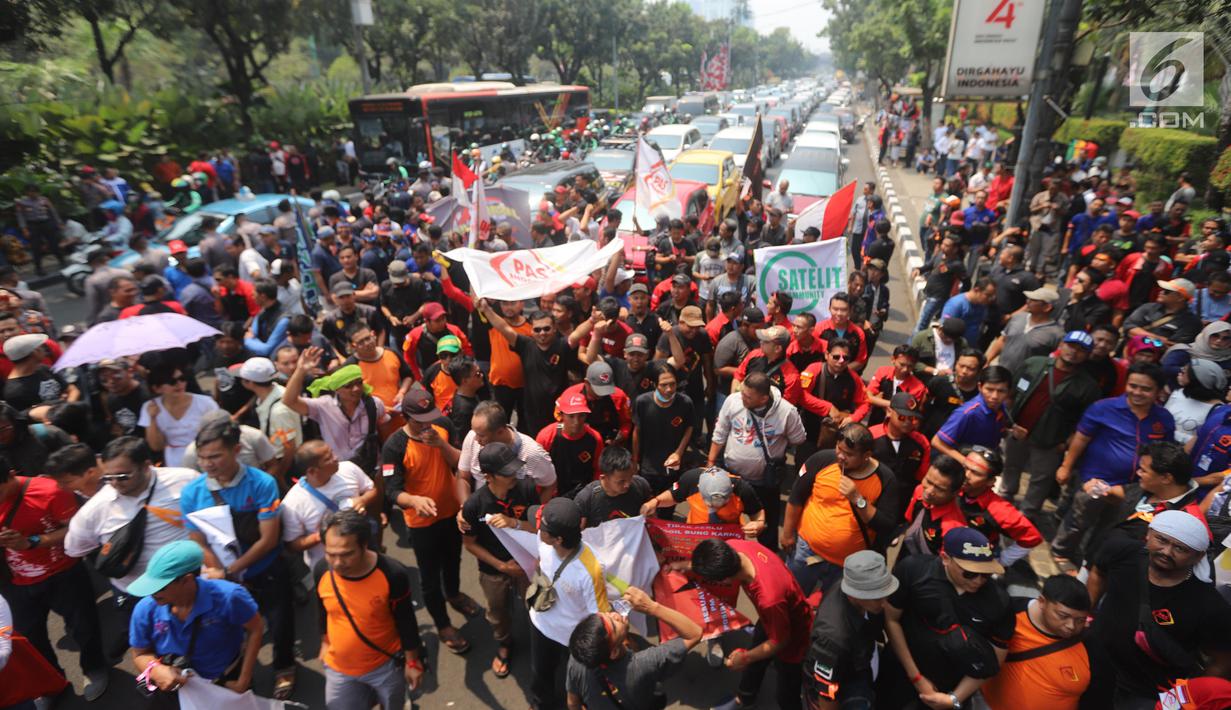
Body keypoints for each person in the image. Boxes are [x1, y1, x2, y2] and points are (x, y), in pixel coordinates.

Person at [178, 417, 297, 698]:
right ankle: (242, 675)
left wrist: (231, 570)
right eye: (202, 457)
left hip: (265, 570)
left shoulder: (262, 484)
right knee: (232, 631)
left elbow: (267, 540)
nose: (208, 464)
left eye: (216, 456)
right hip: (221, 578)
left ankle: (284, 666)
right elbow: (198, 542)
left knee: (280, 624)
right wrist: (221, 574)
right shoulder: (192, 494)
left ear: (236, 450)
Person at [1087, 511, 1231, 709]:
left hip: (1144, 693)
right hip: (1091, 663)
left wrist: (1180, 700)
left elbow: (1222, 660)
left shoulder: (1209, 606)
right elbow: (1098, 571)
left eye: (1180, 548)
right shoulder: (1122, 552)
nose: (1166, 551)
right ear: (1149, 533)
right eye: (1161, 540)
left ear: (1197, 556)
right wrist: (1086, 613)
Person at [0, 453, 109, 701]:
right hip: (13, 583)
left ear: (10, 476)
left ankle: (94, 668)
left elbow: (76, 529)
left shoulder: (50, 491)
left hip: (63, 573)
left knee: (83, 626)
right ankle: (52, 684)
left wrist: (32, 542)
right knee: (30, 637)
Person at [63, 437, 195, 636]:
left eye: (123, 476)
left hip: (187, 583)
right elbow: (75, 548)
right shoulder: (93, 511)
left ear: (146, 466)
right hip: (138, 593)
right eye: (107, 478)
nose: (115, 483)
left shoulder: (185, 480)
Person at [1051, 362, 1174, 571]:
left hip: (1134, 487)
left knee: (1111, 525)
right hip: (1096, 480)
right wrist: (1066, 466)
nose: (1137, 392)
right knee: (1080, 517)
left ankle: (1090, 558)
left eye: (1146, 388)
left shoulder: (1163, 419)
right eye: (1133, 385)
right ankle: (1061, 550)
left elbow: (1165, 451)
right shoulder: (1104, 408)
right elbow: (1081, 438)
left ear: (1158, 392)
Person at [382, 384, 477, 655]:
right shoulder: (394, 446)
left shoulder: (442, 426)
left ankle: (455, 594)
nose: (427, 425)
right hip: (421, 524)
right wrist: (413, 501)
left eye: (429, 418)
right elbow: (391, 490)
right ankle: (443, 624)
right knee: (429, 577)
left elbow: (461, 465)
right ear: (406, 417)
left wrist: (441, 444)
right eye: (420, 421)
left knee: (453, 560)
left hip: (450, 513)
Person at [879, 527, 1014, 708]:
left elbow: (993, 661)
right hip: (898, 673)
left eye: (986, 573)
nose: (978, 580)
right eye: (970, 573)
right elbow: (891, 619)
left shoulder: (999, 602)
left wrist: (954, 699)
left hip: (950, 688)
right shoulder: (914, 570)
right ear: (945, 558)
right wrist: (916, 677)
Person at [127, 540, 264, 707]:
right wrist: (155, 670)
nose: (152, 593)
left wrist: (243, 680)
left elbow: (256, 628)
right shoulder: (144, 610)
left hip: (227, 682)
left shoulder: (230, 597)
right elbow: (140, 654)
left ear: (187, 580)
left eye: (160, 587)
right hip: (178, 691)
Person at [314, 510, 425, 709]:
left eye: (347, 554)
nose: (338, 563)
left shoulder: (392, 574)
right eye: (331, 554)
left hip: (386, 667)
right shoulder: (322, 570)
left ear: (364, 545)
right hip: (339, 668)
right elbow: (323, 609)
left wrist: (412, 662)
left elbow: (406, 621)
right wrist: (324, 640)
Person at [690, 538, 812, 710]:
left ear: (724, 580)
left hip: (793, 636)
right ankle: (745, 698)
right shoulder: (735, 546)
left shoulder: (769, 598)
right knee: (756, 654)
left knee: (786, 693)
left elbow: (781, 641)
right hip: (769, 619)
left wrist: (745, 658)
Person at [782, 423, 901, 595]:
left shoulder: (885, 479)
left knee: (831, 612)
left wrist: (857, 499)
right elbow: (796, 497)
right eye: (839, 449)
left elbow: (886, 525)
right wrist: (787, 534)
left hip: (847, 565)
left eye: (849, 454)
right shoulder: (821, 460)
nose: (841, 456)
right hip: (805, 553)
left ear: (867, 455)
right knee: (790, 597)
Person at [999, 331, 1102, 520]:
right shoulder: (1034, 364)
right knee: (1011, 466)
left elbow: (1085, 423)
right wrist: (1007, 422)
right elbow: (1012, 393)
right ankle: (1004, 498)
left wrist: (1065, 444)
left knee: (1040, 480)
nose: (1073, 352)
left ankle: (1027, 514)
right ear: (1061, 344)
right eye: (1071, 346)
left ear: (1087, 355)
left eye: (1081, 350)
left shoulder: (1088, 386)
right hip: (1018, 431)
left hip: (1050, 442)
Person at [460, 442, 539, 679]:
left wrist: (515, 523)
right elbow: (469, 543)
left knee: (538, 605)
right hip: (493, 570)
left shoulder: (526, 488)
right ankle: (504, 643)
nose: (514, 475)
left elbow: (538, 527)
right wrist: (502, 566)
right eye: (507, 472)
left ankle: (541, 642)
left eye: (515, 468)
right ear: (488, 476)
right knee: (497, 611)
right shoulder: (475, 504)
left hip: (529, 565)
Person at [528, 497, 612, 710]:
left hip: (570, 638)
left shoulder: (590, 570)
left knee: (575, 679)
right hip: (540, 624)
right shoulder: (544, 539)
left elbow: (600, 616)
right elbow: (540, 561)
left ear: (558, 539)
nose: (538, 530)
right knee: (541, 673)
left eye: (543, 528)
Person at [710, 371, 807, 550]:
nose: (742, 398)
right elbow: (720, 432)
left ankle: (767, 557)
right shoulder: (733, 401)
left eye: (747, 396)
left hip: (765, 482)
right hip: (732, 476)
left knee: (766, 525)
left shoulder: (787, 412)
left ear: (763, 399)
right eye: (742, 392)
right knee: (723, 519)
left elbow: (798, 439)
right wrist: (710, 462)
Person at [565, 584, 703, 710]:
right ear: (613, 652)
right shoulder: (642, 665)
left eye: (605, 614)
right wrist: (652, 607)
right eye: (614, 624)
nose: (614, 614)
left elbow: (573, 703)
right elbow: (694, 634)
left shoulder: (577, 659)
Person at [801, 551, 899, 710]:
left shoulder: (851, 582)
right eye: (876, 597)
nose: (884, 603)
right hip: (846, 686)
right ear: (854, 594)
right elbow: (826, 695)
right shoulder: (833, 639)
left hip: (860, 665)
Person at [978, 575, 1092, 710]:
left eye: (1080, 620)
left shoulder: (1088, 641)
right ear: (1042, 602)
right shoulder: (1007, 617)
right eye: (1063, 616)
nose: (1071, 626)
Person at [479, 299, 577, 435]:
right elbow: (504, 328)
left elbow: (577, 335)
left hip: (558, 412)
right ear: (531, 331)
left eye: (546, 328)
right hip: (532, 413)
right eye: (537, 329)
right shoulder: (526, 345)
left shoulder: (561, 345)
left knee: (558, 442)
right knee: (532, 443)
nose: (542, 333)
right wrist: (486, 310)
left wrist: (592, 322)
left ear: (554, 329)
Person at [283, 347, 388, 467]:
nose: (356, 389)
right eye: (348, 386)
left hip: (371, 468)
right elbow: (289, 401)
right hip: (337, 471)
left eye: (359, 383)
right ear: (337, 389)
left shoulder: (375, 404)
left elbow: (385, 436)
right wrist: (301, 370)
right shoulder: (323, 406)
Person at [281, 441, 377, 569]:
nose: (335, 458)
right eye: (328, 459)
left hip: (364, 551)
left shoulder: (349, 468)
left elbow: (372, 489)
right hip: (329, 567)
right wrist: (323, 535)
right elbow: (292, 545)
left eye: (332, 452)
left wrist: (362, 500)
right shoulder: (292, 504)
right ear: (312, 471)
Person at [631, 363, 695, 496]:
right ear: (654, 384)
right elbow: (637, 431)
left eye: (672, 384)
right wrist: (634, 460)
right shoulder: (642, 402)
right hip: (648, 467)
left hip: (673, 466)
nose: (669, 389)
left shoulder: (685, 403)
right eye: (663, 385)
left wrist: (679, 452)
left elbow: (689, 427)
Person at [932, 365, 1011, 462]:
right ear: (980, 387)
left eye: (1001, 391)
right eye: (989, 390)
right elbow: (937, 442)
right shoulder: (967, 413)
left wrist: (1011, 432)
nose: (995, 396)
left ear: (1008, 392)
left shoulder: (1000, 407)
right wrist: (967, 462)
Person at [984, 286, 1064, 375]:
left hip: (1028, 378)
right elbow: (1002, 340)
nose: (1028, 302)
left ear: (1047, 307)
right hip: (1001, 372)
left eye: (1034, 300)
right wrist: (987, 360)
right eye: (1029, 298)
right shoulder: (1018, 318)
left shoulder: (1056, 333)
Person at [574, 445, 653, 527]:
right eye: (621, 481)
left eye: (630, 477)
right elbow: (579, 534)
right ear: (603, 478)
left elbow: (652, 521)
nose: (627, 484)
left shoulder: (641, 485)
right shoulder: (586, 499)